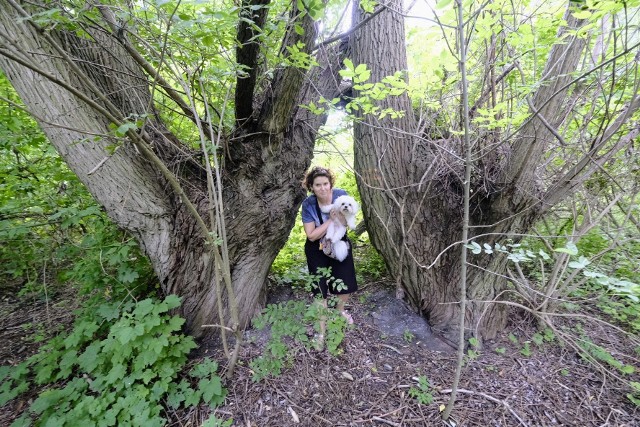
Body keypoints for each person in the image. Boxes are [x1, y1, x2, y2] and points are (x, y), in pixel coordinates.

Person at [301, 166, 358, 348]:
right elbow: (311, 235)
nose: (323, 188)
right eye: (318, 185)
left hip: (338, 242)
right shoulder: (309, 205)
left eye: (325, 184)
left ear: (330, 184)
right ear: (311, 186)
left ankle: (340, 311)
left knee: (346, 284)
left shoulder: (341, 195)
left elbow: (348, 220)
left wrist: (338, 222)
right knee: (320, 291)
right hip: (316, 248)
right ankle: (321, 332)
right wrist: (331, 219)